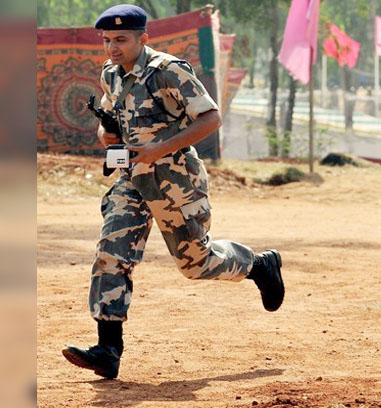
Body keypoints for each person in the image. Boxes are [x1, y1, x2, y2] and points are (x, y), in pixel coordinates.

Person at [62, 4, 285, 380]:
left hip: (175, 181)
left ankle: (258, 266)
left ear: (143, 39)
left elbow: (211, 118)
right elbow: (109, 122)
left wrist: (159, 149)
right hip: (132, 180)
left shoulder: (168, 70)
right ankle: (107, 349)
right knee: (111, 254)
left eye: (121, 40)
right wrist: (107, 135)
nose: (112, 47)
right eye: (107, 40)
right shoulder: (110, 74)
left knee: (195, 264)